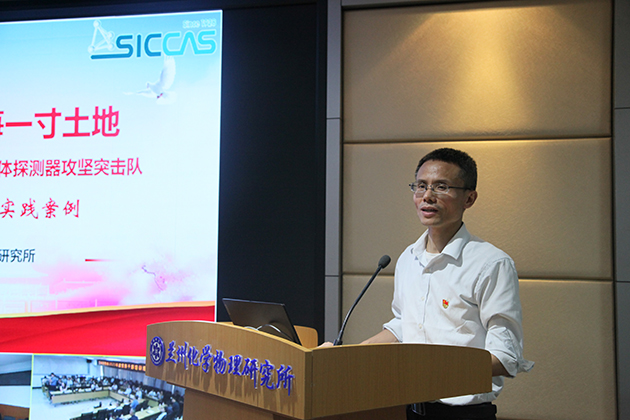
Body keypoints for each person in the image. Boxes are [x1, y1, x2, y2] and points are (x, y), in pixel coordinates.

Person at [361, 148, 533, 420]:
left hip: (463, 414)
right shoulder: (408, 258)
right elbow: (405, 325)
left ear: (469, 198)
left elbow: (505, 356)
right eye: (421, 186)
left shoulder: (491, 263)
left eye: (441, 187)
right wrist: (350, 356)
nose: (427, 196)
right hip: (409, 409)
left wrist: (431, 370)